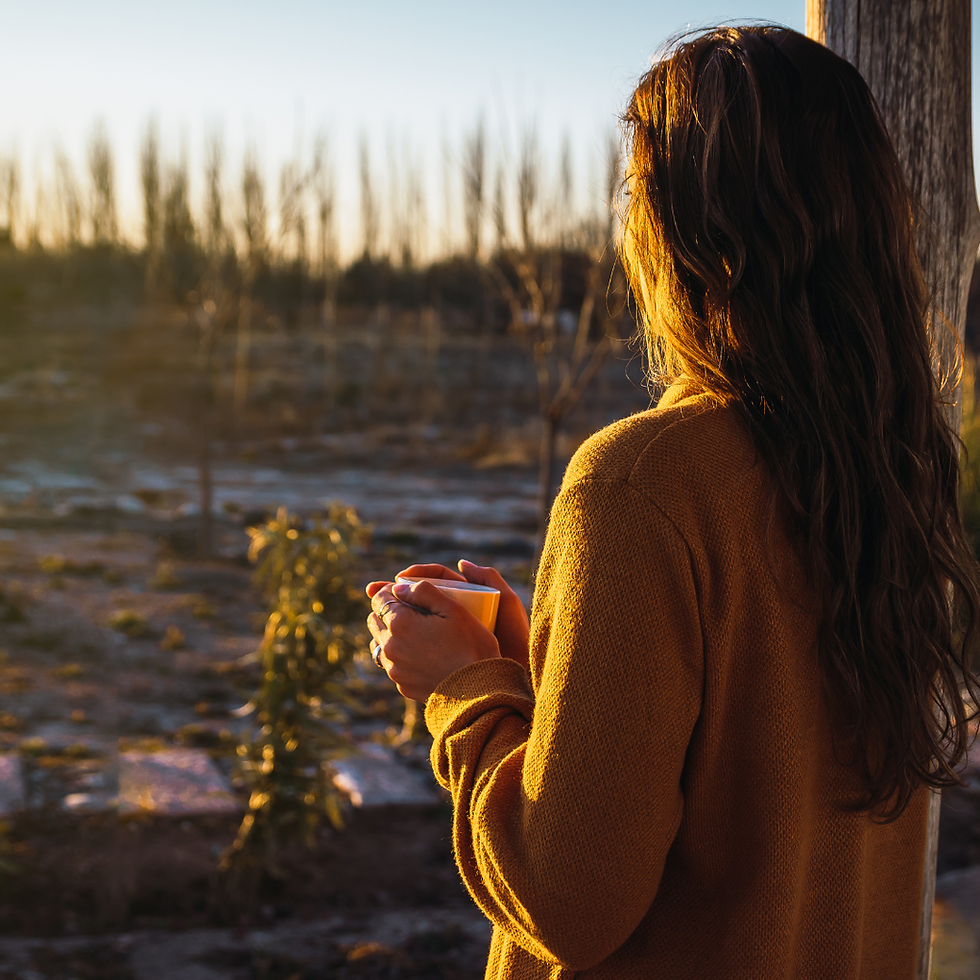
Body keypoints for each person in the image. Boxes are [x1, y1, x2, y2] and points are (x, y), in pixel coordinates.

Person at [366, 25, 980, 979]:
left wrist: (463, 694)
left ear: (675, 231)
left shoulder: (645, 484)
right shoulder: (892, 475)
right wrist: (547, 677)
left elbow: (569, 901)